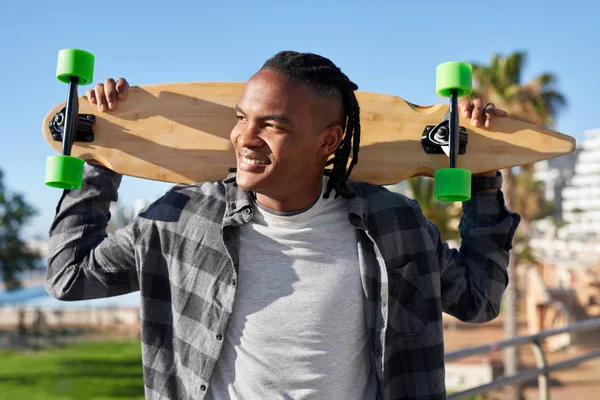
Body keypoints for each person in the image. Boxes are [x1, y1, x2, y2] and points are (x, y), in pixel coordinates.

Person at [46, 51, 520, 400]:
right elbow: (69, 279)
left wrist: (482, 175)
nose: (245, 138)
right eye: (240, 118)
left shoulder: (395, 226)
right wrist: (102, 156)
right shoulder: (180, 218)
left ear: (329, 140)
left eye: (273, 125)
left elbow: (478, 300)